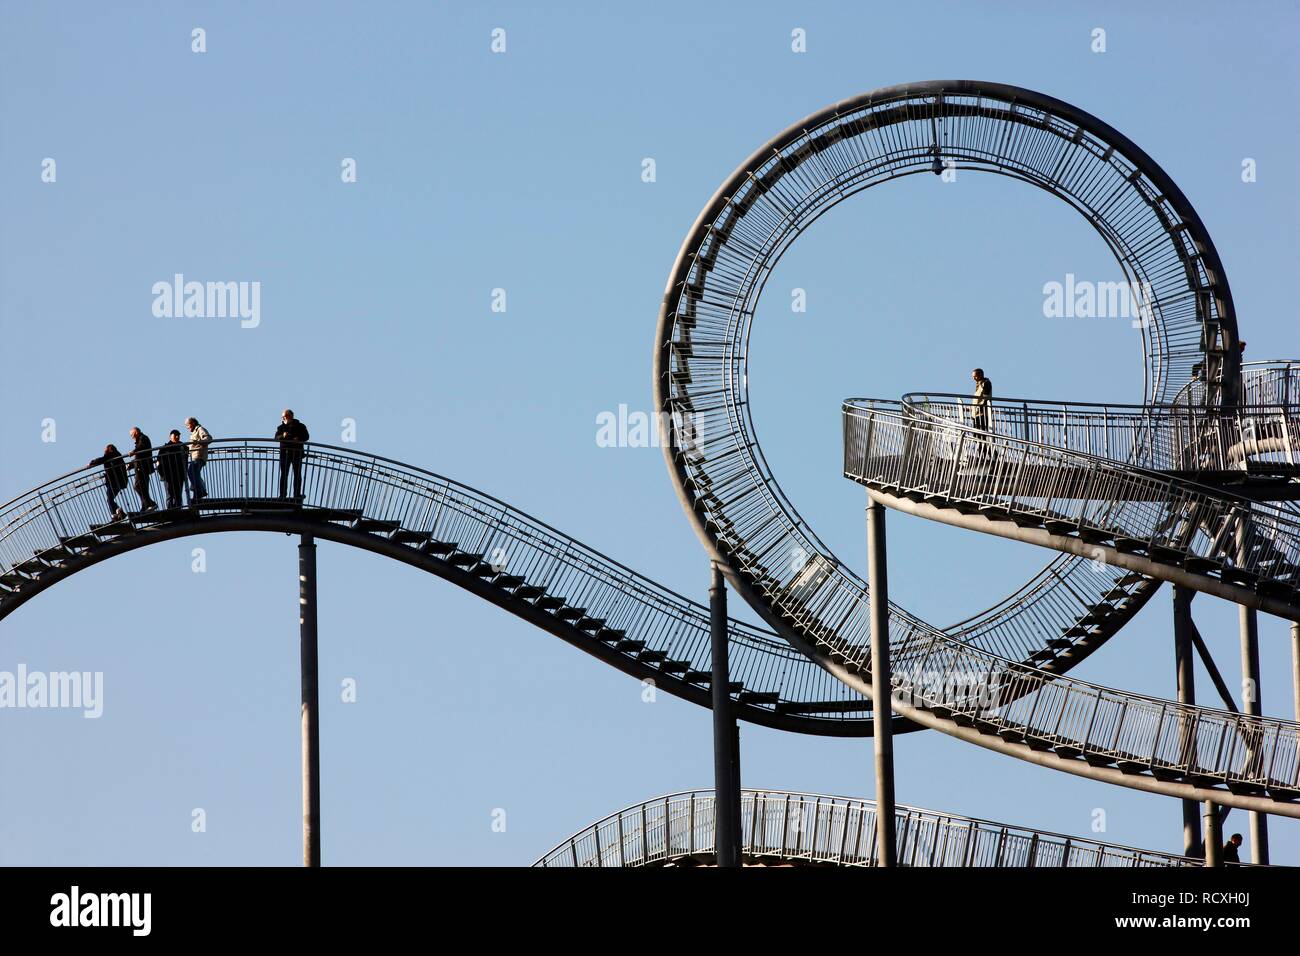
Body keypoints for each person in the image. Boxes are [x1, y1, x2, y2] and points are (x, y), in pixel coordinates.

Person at [274, 409, 310, 500]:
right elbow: (276, 438)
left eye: (287, 416)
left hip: (296, 453)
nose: (285, 418)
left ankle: (296, 495)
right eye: (284, 417)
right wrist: (283, 436)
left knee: (297, 475)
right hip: (285, 454)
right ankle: (282, 495)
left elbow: (306, 436)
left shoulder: (300, 426)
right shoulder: (280, 428)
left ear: (291, 416)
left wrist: (298, 438)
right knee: (284, 475)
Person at [88, 444, 129, 521]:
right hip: (118, 481)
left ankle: (116, 514)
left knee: (109, 499)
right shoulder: (117, 455)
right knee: (110, 499)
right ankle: (118, 513)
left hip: (114, 482)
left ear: (109, 450)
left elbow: (101, 459)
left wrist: (91, 463)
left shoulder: (111, 455)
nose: (104, 451)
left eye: (105, 449)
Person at [128, 426, 157, 512]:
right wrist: (131, 465)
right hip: (142, 466)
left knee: (138, 486)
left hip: (142, 467)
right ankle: (145, 506)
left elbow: (142, 448)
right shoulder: (140, 439)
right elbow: (139, 456)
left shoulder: (143, 438)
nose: (131, 437)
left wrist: (134, 451)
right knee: (142, 487)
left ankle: (149, 504)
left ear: (136, 432)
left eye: (131, 434)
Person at [157, 429, 189, 509]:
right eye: (175, 435)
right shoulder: (164, 448)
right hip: (168, 475)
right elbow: (158, 462)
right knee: (170, 494)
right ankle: (170, 510)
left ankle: (178, 509)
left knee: (177, 494)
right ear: (170, 437)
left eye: (178, 435)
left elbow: (186, 459)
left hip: (179, 474)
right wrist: (162, 474)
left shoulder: (183, 446)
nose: (177, 437)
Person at [185, 417, 212, 503]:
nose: (187, 427)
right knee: (194, 474)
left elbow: (209, 438)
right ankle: (199, 492)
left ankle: (199, 492)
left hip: (199, 456)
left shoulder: (200, 429)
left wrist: (197, 442)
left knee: (191, 472)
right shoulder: (194, 432)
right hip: (195, 456)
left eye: (188, 425)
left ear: (192, 423)